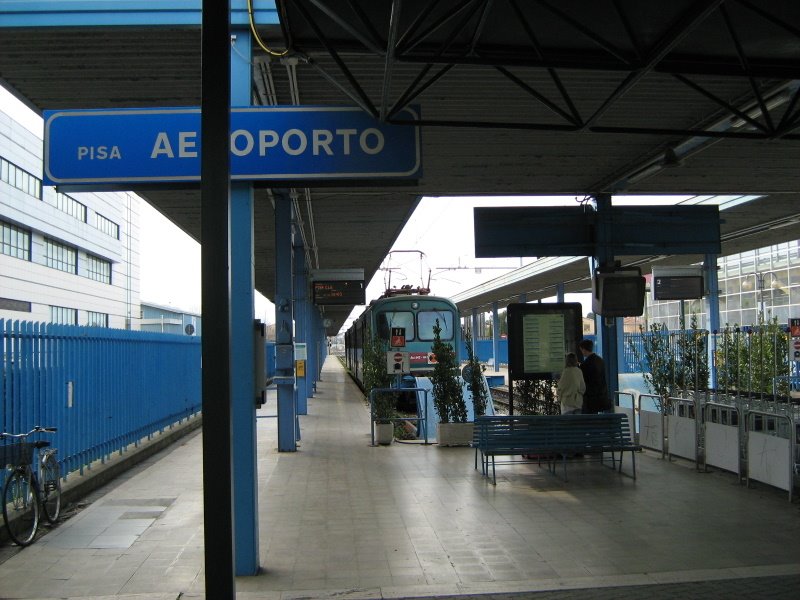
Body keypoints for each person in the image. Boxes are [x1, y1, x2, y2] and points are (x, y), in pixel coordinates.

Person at [578, 339, 612, 413]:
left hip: (590, 398)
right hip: (601, 396)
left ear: (583, 349)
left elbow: (583, 381)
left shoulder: (585, 364)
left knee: (589, 420)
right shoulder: (600, 361)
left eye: (581, 350)